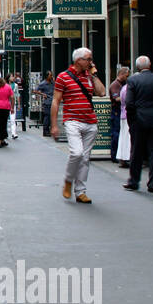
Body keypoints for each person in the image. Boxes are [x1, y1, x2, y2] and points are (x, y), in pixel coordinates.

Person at [51, 47, 107, 204]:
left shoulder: (90, 76)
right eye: (88, 59)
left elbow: (102, 93)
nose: (91, 62)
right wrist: (54, 125)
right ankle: (68, 180)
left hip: (90, 121)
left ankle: (80, 191)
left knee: (85, 158)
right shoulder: (63, 77)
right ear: (78, 61)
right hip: (73, 120)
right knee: (77, 153)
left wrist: (94, 74)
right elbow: (55, 101)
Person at [123, 55, 153, 193]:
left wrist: (132, 120)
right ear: (150, 65)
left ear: (138, 67)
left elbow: (129, 103)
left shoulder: (133, 80)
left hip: (138, 121)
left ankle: (134, 181)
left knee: (136, 151)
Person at [109, 66, 130, 162]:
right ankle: (114, 156)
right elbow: (116, 98)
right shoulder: (115, 85)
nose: (127, 77)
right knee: (116, 134)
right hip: (116, 112)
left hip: (120, 112)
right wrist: (128, 97)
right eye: (126, 75)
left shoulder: (122, 84)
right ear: (121, 74)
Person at [115, 76, 133, 166]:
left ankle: (122, 158)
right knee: (127, 138)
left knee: (123, 138)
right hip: (128, 116)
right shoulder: (129, 89)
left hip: (123, 114)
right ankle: (127, 157)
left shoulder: (123, 88)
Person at [35, 70, 55, 136]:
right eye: (50, 75)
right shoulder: (43, 83)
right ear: (46, 76)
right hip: (47, 102)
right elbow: (35, 91)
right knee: (47, 116)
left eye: (51, 75)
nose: (51, 76)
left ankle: (50, 129)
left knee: (52, 116)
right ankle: (45, 131)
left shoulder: (52, 82)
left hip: (53, 101)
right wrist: (43, 94)